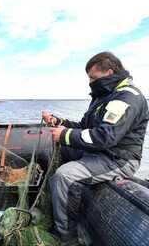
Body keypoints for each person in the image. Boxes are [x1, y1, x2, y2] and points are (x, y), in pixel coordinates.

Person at [42, 51, 149, 245]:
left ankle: (66, 235)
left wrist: (65, 135)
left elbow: (106, 136)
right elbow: (84, 126)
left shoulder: (127, 98)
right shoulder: (103, 96)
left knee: (64, 175)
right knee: (58, 151)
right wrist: (59, 122)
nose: (90, 82)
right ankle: (61, 204)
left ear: (109, 72)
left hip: (118, 159)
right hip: (98, 153)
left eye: (93, 78)